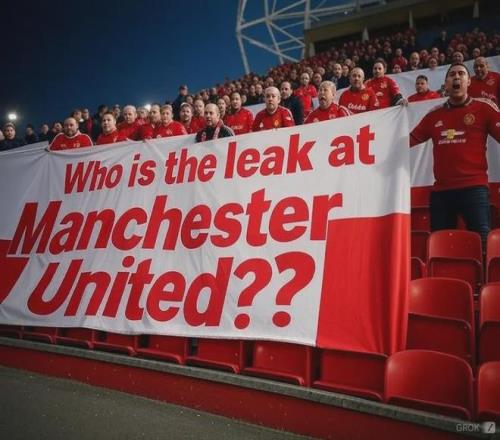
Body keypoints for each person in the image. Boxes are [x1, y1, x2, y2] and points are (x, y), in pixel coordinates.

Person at [410, 63, 500, 249]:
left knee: (483, 246)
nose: (456, 77)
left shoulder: (484, 108)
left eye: (461, 74)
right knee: (441, 247)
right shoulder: (434, 115)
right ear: (446, 84)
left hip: (474, 189)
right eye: (452, 75)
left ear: (468, 81)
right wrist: (397, 113)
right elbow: (407, 141)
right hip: (442, 193)